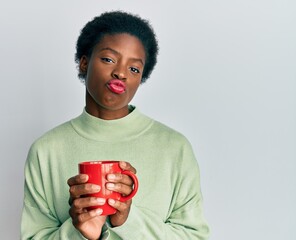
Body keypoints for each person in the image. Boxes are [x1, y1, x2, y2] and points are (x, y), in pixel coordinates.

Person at [21, 11, 210, 240]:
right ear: (84, 63)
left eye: (134, 69)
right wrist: (79, 232)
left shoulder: (175, 148)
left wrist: (128, 220)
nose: (120, 73)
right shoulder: (46, 151)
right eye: (109, 59)